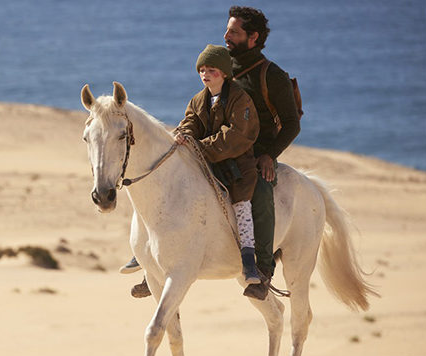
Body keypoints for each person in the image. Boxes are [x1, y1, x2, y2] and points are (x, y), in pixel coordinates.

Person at [124, 44, 263, 298]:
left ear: (223, 73)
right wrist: (185, 135)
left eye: (211, 70)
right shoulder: (199, 99)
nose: (205, 74)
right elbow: (190, 121)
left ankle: (249, 260)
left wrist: (199, 146)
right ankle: (148, 266)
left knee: (242, 207)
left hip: (236, 166)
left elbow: (236, 135)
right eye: (202, 70)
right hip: (204, 161)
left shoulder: (240, 99)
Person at [224, 6, 301, 300]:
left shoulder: (273, 75)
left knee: (261, 192)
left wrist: (269, 155)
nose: (226, 35)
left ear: (253, 37)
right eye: (228, 29)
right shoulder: (222, 64)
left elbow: (292, 124)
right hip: (221, 145)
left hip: (257, 155)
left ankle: (264, 271)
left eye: (234, 32)